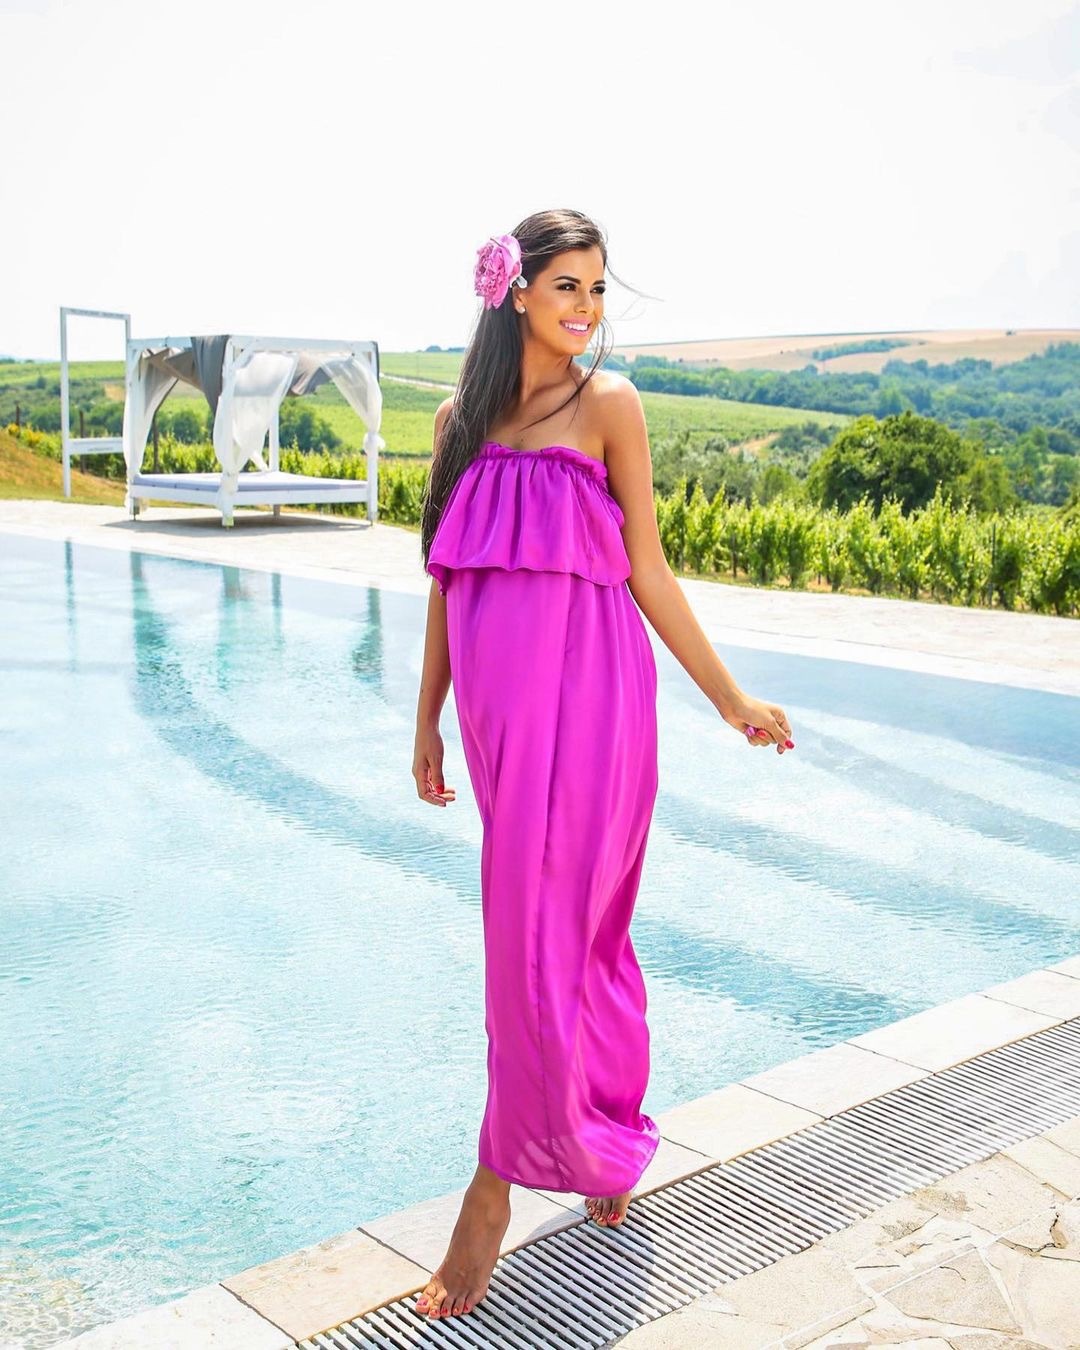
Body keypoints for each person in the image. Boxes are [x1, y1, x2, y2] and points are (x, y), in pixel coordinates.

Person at [411, 208, 794, 1321]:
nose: (586, 307)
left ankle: (493, 1194)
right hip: (500, 721)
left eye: (596, 288)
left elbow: (650, 572)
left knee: (565, 932)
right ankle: (600, 1138)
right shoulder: (457, 422)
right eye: (566, 286)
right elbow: (444, 579)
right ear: (517, 293)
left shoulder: (611, 405)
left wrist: (730, 699)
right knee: (540, 936)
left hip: (595, 710)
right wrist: (427, 718)